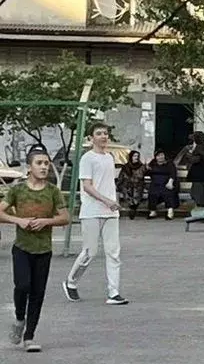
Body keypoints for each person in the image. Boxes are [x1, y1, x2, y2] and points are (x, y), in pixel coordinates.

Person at [0, 145, 69, 351]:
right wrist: (18, 220)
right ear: (29, 167)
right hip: (22, 247)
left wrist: (46, 221)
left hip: (44, 250)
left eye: (46, 163)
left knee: (38, 293)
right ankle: (19, 318)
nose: (44, 167)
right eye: (39, 163)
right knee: (22, 286)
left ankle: (29, 337)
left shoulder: (53, 191)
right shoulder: (18, 190)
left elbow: (65, 217)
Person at [62, 123, 129, 305]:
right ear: (91, 138)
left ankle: (114, 292)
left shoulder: (109, 158)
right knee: (90, 252)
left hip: (111, 212)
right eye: (99, 133)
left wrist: (113, 201)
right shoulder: (87, 158)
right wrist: (106, 201)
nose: (103, 136)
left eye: (105, 133)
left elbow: (109, 183)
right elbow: (87, 186)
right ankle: (71, 282)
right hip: (91, 211)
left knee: (113, 252)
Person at [147, 149, 179, 220]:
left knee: (168, 193)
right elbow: (148, 172)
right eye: (158, 156)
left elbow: (173, 174)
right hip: (155, 184)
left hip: (167, 183)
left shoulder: (169, 164)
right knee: (152, 193)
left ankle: (170, 212)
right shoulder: (152, 163)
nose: (160, 157)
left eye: (162, 155)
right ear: (155, 157)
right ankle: (153, 211)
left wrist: (170, 182)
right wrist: (147, 169)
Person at [116, 150, 146, 220]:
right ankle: (132, 206)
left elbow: (143, 176)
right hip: (127, 185)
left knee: (137, 190)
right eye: (134, 156)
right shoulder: (126, 167)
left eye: (137, 156)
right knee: (126, 190)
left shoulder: (141, 166)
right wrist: (117, 185)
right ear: (131, 157)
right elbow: (121, 177)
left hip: (138, 185)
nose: (136, 157)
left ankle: (133, 206)